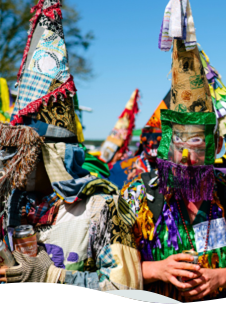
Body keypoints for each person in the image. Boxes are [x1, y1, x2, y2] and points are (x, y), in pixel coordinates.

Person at [121, 2, 226, 301]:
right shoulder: (138, 195)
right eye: (177, 145)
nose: (185, 158)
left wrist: (220, 276)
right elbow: (107, 264)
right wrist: (154, 269)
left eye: (196, 145)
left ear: (217, 146)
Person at [0, 0, 142, 290]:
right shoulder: (7, 207)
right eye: (10, 151)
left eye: (26, 152)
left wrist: (50, 276)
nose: (14, 164)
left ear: (55, 154)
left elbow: (125, 288)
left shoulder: (99, 208)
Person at [109, 93, 169, 189]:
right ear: (141, 139)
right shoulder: (119, 169)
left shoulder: (173, 170)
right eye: (147, 138)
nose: (152, 143)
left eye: (158, 139)